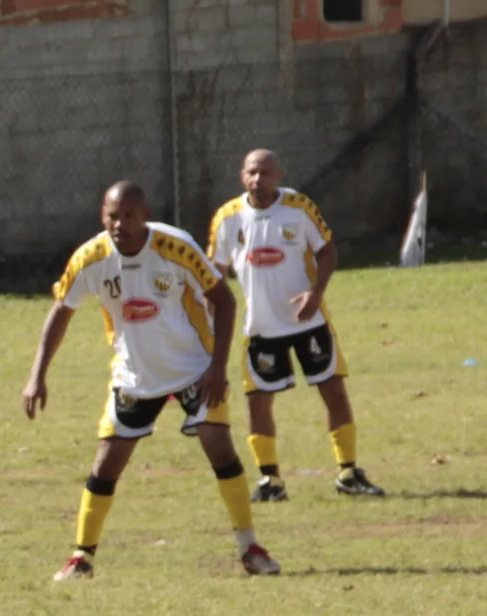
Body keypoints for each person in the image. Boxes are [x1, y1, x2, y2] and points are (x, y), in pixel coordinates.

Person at [25, 181, 280, 582]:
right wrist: (37, 375)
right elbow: (61, 311)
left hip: (194, 366)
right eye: (112, 215)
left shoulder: (175, 248)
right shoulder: (91, 258)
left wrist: (216, 368)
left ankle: (250, 548)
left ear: (144, 215)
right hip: (135, 373)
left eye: (128, 215)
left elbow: (224, 299)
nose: (119, 224)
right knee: (106, 463)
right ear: (101, 216)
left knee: (219, 448)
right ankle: (81, 557)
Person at [206, 149, 382, 500]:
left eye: (266, 173)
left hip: (309, 322)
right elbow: (215, 272)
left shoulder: (299, 208)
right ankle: (270, 481)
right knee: (257, 401)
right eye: (253, 173)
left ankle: (348, 472)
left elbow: (327, 250)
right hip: (261, 328)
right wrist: (211, 316)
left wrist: (316, 294)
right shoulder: (228, 218)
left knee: (333, 389)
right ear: (243, 175)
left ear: (279, 175)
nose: (259, 180)